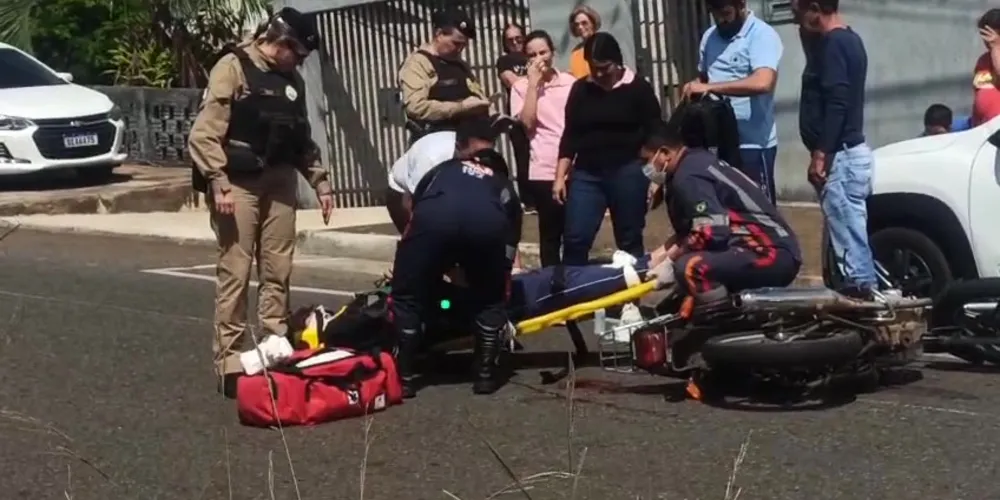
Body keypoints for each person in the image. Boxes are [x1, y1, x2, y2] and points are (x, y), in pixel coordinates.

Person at [187, 7, 333, 398]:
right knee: (236, 270)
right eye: (297, 54)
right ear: (282, 42)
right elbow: (205, 134)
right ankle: (230, 361)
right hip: (238, 183)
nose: (299, 62)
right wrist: (218, 181)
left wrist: (320, 182)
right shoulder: (233, 67)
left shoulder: (291, 81)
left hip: (280, 179)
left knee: (278, 266)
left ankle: (274, 345)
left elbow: (300, 136)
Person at [389, 115, 523, 398]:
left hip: (434, 220)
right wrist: (502, 275)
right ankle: (485, 375)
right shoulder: (501, 182)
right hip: (485, 227)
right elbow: (510, 236)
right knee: (489, 298)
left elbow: (415, 211)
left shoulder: (442, 169)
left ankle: (406, 377)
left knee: (407, 295)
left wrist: (415, 263)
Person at [640, 120, 801, 303]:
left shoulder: (688, 177)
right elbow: (687, 233)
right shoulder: (693, 162)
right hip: (758, 249)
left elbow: (710, 232)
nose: (646, 168)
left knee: (690, 268)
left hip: (768, 252)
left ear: (665, 153)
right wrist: (654, 261)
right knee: (674, 305)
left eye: (646, 160)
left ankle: (722, 322)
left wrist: (670, 263)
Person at [793, 0, 877, 299]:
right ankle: (863, 295)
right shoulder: (848, 40)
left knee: (849, 244)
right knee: (852, 236)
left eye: (798, 10)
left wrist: (821, 153)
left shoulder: (834, 44)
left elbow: (837, 102)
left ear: (814, 7)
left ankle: (866, 302)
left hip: (839, 157)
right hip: (845, 154)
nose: (795, 17)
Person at [556, 32, 662, 266]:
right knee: (576, 236)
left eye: (605, 67)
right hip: (587, 173)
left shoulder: (638, 88)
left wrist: (656, 178)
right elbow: (570, 135)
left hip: (628, 170)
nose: (600, 74)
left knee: (629, 237)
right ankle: (575, 291)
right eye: (594, 68)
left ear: (617, 61)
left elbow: (656, 134)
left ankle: (629, 297)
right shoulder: (580, 91)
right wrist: (559, 177)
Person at [683, 0, 783, 204]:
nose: (721, 20)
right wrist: (694, 86)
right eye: (715, 13)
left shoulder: (761, 35)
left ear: (741, 5)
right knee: (725, 207)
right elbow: (704, 78)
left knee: (758, 209)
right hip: (717, 142)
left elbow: (763, 82)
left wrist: (711, 87)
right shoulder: (710, 37)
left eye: (726, 13)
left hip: (752, 144)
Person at [510, 30, 576, 267]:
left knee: (575, 234)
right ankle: (551, 288)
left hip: (574, 165)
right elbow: (527, 124)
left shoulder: (570, 82)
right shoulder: (520, 87)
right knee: (550, 235)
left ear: (553, 53)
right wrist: (533, 86)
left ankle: (575, 284)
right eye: (533, 54)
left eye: (543, 52)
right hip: (544, 167)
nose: (539, 58)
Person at [398, 8, 491, 143]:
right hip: (434, 144)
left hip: (468, 142)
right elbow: (416, 107)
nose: (460, 49)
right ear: (439, 34)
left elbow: (476, 93)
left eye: (463, 45)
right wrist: (460, 108)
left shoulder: (460, 64)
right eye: (456, 43)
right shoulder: (418, 63)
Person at [972, 8, 1000, 127]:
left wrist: (996, 47)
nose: (985, 40)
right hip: (983, 130)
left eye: (988, 34)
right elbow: (979, 91)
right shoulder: (983, 60)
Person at [567, 6, 601, 79]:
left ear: (593, 23)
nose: (580, 27)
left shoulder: (604, 45)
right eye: (577, 24)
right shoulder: (575, 52)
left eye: (584, 23)